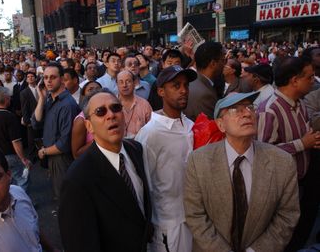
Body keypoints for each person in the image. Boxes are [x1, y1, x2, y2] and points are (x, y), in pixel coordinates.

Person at [184, 92, 300, 252]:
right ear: (220, 124)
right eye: (235, 110)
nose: (247, 113)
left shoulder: (282, 162)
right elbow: (195, 215)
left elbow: (287, 215)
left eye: (249, 107)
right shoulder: (198, 161)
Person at [59, 89, 153, 252]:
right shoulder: (77, 180)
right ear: (89, 125)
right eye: (100, 112)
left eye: (115, 108)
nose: (111, 115)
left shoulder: (135, 150)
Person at [257, 56, 320, 251]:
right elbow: (263, 152)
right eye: (309, 77)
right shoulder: (269, 110)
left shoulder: (299, 103)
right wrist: (302, 144)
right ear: (294, 80)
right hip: (281, 188)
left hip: (303, 183)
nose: (314, 81)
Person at [135, 65, 197, 252]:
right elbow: (141, 185)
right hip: (168, 226)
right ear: (161, 91)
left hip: (195, 220)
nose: (183, 90)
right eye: (176, 85)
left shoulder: (191, 126)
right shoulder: (150, 133)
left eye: (186, 85)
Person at [32, 63, 80, 207]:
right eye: (45, 78)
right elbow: (36, 122)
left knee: (65, 199)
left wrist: (44, 151)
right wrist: (41, 98)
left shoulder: (67, 105)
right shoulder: (49, 100)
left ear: (61, 79)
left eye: (52, 77)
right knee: (60, 195)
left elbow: (64, 144)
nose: (48, 81)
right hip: (52, 158)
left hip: (62, 159)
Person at [0, 87, 32, 191]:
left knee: (7, 181)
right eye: (9, 98)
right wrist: (23, 159)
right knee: (22, 180)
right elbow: (16, 141)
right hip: (10, 155)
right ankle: (22, 203)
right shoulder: (9, 116)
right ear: (6, 98)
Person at [184, 41, 226, 120]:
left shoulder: (195, 82)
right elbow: (210, 127)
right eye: (223, 60)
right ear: (213, 63)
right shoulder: (204, 95)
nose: (224, 65)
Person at [71, 81, 102, 159]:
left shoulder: (107, 113)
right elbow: (76, 154)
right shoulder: (81, 120)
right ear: (84, 95)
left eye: (98, 89)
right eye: (90, 89)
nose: (95, 91)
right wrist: (99, 140)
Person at [117, 70, 152, 138]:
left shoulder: (144, 105)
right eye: (121, 82)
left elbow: (151, 130)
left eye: (128, 81)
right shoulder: (111, 104)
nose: (124, 85)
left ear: (134, 83)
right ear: (117, 84)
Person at [20, 71, 42, 163]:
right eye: (28, 77)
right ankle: (33, 156)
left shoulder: (40, 89)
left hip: (42, 117)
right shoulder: (24, 92)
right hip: (31, 119)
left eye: (32, 76)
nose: (30, 78)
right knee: (31, 139)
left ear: (35, 78)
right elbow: (24, 108)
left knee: (41, 137)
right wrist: (27, 121)